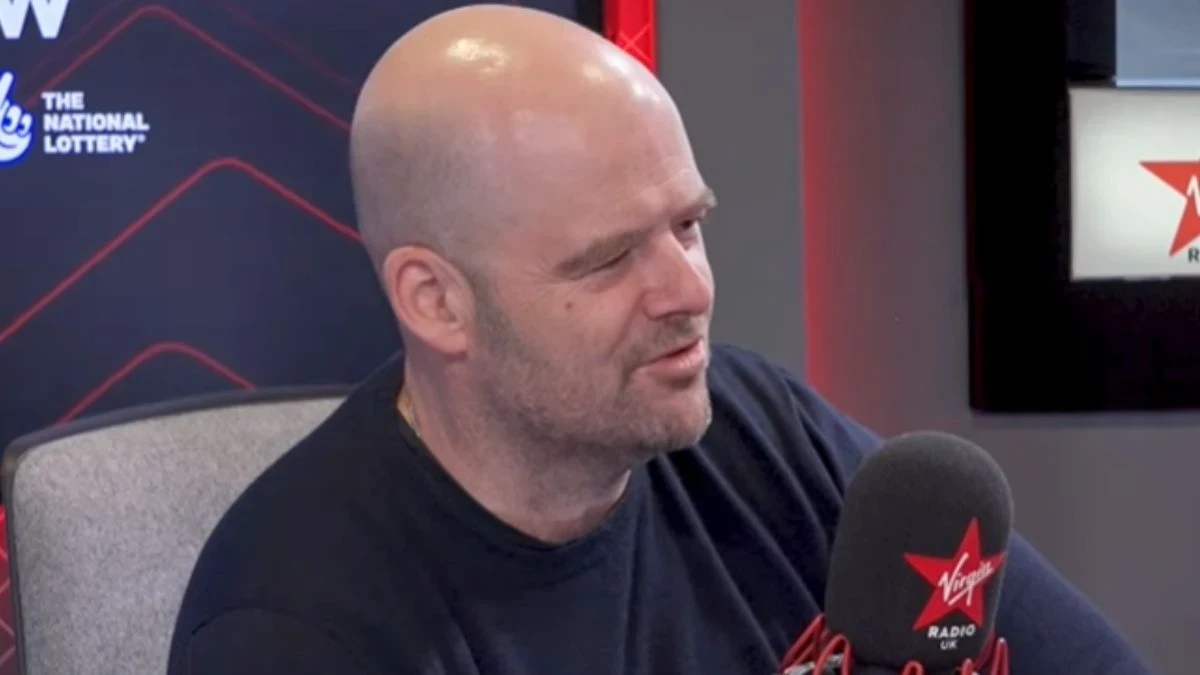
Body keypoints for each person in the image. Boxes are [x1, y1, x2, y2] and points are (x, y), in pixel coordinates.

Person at [167, 5, 1152, 674]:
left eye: (688, 225)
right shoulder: (295, 627)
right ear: (436, 302)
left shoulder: (760, 430)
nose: (689, 291)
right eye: (607, 259)